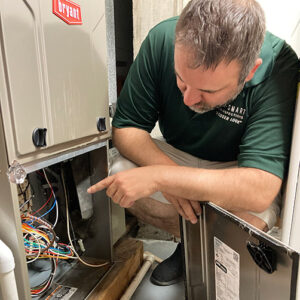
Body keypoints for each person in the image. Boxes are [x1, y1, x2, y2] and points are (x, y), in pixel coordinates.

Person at [88, 0, 299, 286]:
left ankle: (200, 253)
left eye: (207, 90)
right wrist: (172, 178)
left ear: (249, 71)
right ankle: (193, 247)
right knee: (120, 174)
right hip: (178, 155)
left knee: (255, 214)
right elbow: (127, 129)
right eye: (181, 80)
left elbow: (261, 187)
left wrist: (166, 179)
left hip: (233, 169)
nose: (188, 100)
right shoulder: (162, 39)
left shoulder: (280, 66)